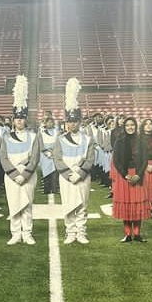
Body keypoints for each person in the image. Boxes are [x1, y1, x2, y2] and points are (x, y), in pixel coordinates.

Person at [53, 78, 95, 245]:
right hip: (66, 177)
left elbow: (90, 158)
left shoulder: (88, 138)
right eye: (69, 121)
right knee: (68, 204)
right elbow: (57, 159)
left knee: (83, 204)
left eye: (74, 121)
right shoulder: (60, 139)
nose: (71, 124)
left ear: (80, 122)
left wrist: (81, 172)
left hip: (83, 176)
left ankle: (81, 232)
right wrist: (69, 173)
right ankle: (70, 231)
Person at [0, 76, 41, 245]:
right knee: (14, 204)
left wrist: (25, 173)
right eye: (17, 118)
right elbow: (3, 157)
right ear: (13, 119)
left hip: (28, 175)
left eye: (22, 118)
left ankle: (27, 232)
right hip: (11, 176)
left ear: (25, 119)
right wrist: (14, 173)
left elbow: (35, 157)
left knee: (27, 204)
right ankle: (15, 233)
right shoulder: (6, 136)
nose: (19, 120)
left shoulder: (33, 136)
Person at [112, 117, 149, 242]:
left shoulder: (141, 140)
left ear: (136, 126)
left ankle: (137, 234)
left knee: (137, 204)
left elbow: (145, 159)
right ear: (124, 126)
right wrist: (125, 175)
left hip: (138, 174)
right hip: (124, 176)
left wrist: (139, 174)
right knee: (126, 204)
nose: (130, 127)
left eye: (132, 125)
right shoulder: (119, 140)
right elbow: (116, 160)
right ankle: (128, 234)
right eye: (127, 125)